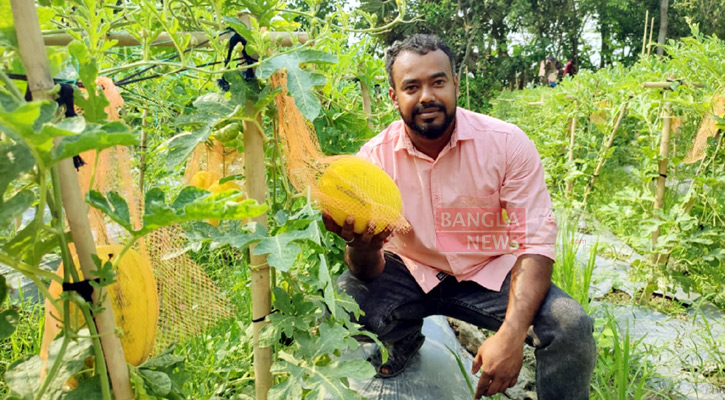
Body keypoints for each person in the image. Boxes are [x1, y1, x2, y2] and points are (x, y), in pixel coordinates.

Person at [322, 34, 595, 400]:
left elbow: (535, 244)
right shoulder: (373, 161)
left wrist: (512, 336)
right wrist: (361, 248)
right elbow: (368, 271)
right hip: (410, 270)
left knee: (570, 325)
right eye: (411, 87)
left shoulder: (505, 143)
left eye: (438, 82)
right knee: (343, 302)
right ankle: (401, 340)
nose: (427, 96)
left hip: (489, 271)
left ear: (455, 84)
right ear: (393, 97)